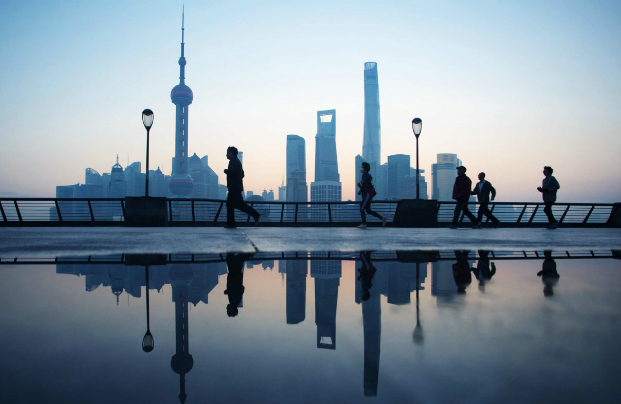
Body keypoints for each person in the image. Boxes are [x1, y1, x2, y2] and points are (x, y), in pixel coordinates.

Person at [224, 146, 260, 228]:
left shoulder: (233, 162)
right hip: (236, 188)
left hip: (234, 188)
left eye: (228, 153)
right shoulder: (237, 162)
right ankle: (231, 224)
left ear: (231, 153)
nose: (226, 155)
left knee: (235, 205)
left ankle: (255, 214)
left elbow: (234, 173)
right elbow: (242, 174)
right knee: (232, 205)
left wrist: (227, 171)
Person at [357, 162, 387, 229]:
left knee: (362, 208)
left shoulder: (367, 176)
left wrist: (361, 184)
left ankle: (364, 224)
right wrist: (360, 185)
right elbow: (365, 186)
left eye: (362, 167)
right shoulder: (364, 175)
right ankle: (382, 218)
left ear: (365, 168)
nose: (361, 168)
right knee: (368, 210)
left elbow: (366, 186)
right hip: (366, 194)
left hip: (367, 195)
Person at [224, 252, 253, 317]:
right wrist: (228, 291)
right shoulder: (234, 300)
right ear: (232, 309)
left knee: (235, 260)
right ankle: (251, 252)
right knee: (232, 259)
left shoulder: (234, 301)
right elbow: (239, 289)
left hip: (236, 276)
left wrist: (228, 290)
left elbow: (241, 289)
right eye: (228, 310)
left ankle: (249, 253)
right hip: (234, 275)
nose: (227, 308)